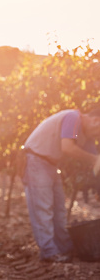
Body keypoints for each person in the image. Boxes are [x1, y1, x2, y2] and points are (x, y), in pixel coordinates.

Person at [22, 108, 100, 263]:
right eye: (99, 132)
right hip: (36, 159)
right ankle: (49, 253)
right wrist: (94, 160)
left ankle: (65, 249)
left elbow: (96, 166)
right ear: (96, 121)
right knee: (43, 209)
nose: (98, 136)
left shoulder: (87, 136)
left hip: (51, 164)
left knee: (59, 210)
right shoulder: (73, 117)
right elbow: (68, 148)